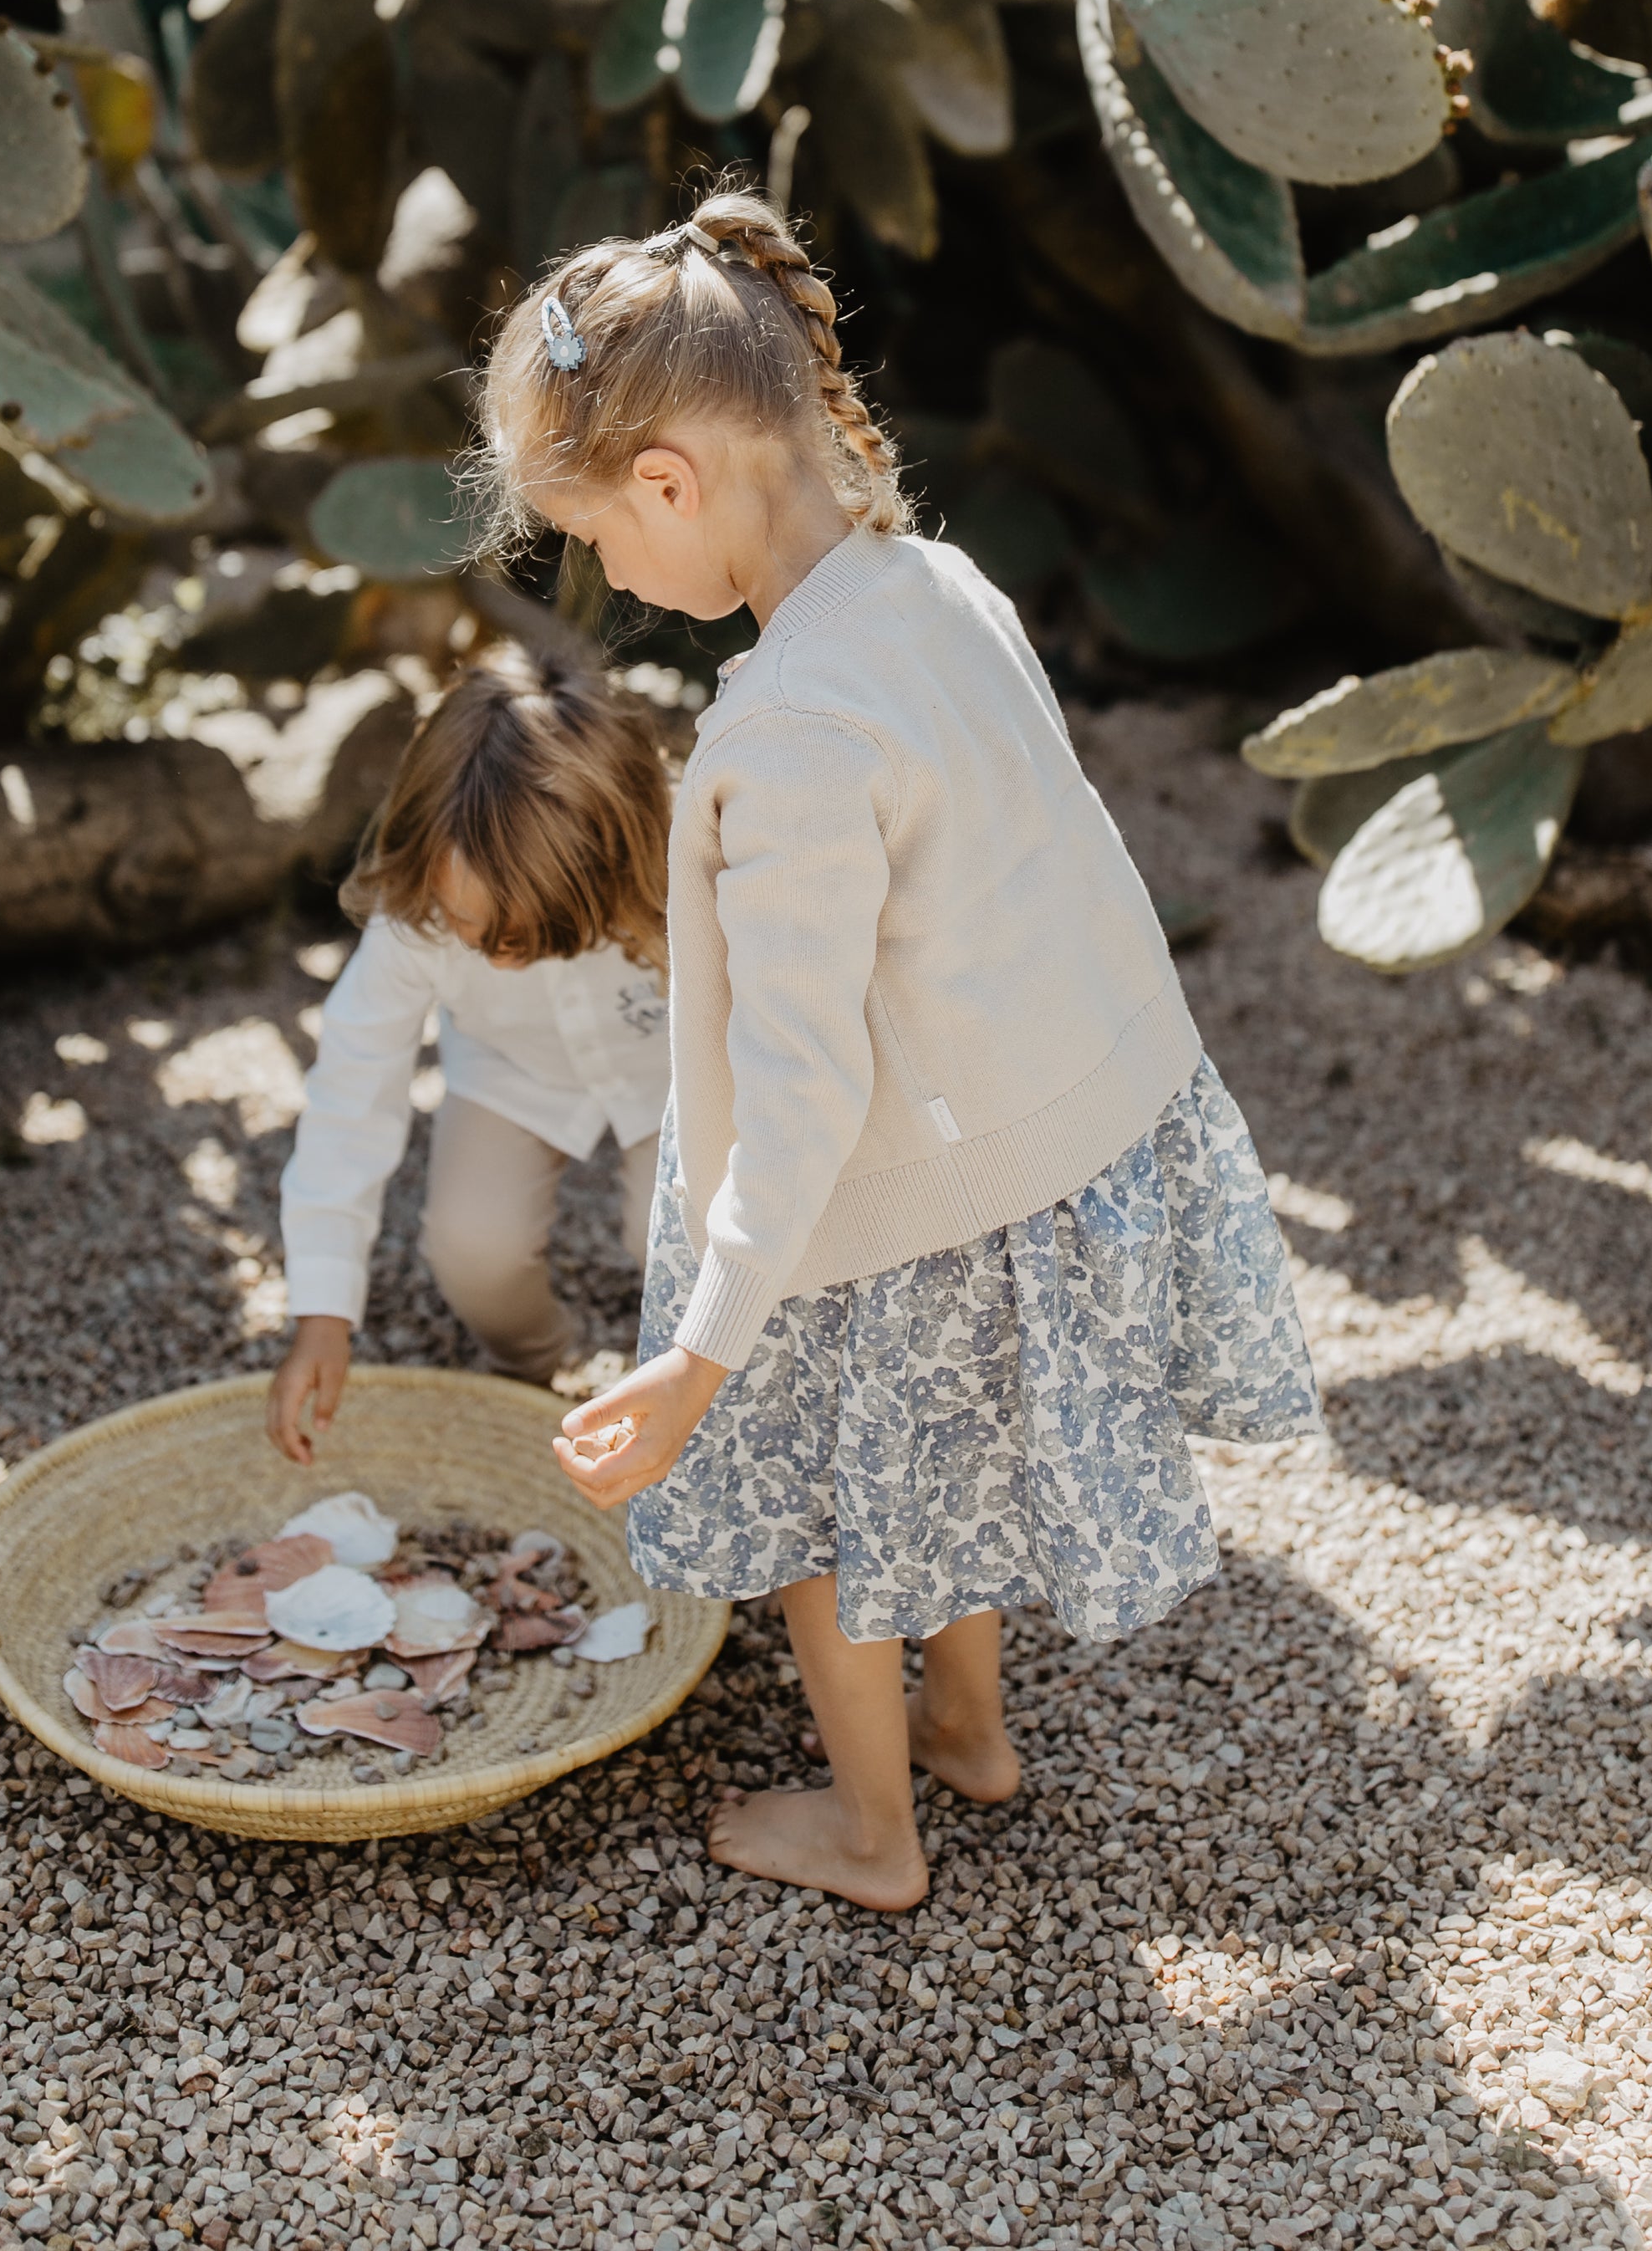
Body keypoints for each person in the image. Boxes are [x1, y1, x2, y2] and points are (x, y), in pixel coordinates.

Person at [476, 189, 1319, 1911]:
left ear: (668, 483)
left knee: (830, 1535)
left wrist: (699, 1353)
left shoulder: (790, 734)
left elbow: (800, 1091)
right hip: (1028, 1153)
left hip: (860, 1218)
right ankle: (967, 1726)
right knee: (946, 1481)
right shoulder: (937, 584)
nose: (611, 579)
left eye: (596, 538)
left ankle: (871, 1830)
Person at [267, 649, 674, 1462]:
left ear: (602, 872)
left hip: (669, 1070)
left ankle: (686, 1381)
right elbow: (353, 1087)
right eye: (467, 928)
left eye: (519, 934)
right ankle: (527, 1371)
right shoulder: (415, 908)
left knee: (670, 1237)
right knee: (471, 1247)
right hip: (508, 1069)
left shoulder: (683, 864)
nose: (493, 956)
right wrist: (322, 1310)